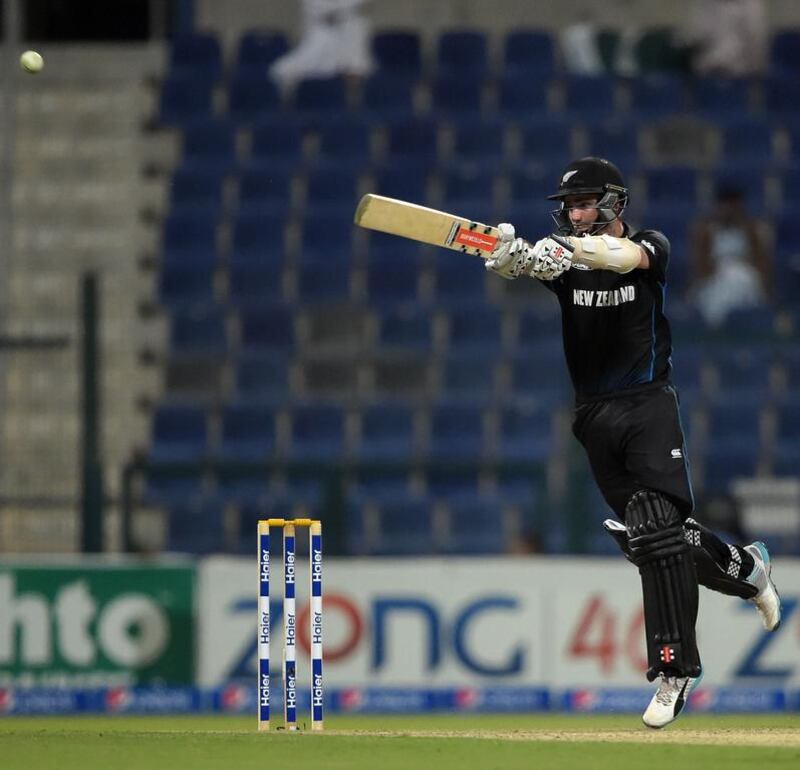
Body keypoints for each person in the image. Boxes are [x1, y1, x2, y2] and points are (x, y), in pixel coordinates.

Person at [484, 157, 781, 729]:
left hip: (648, 405)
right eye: (569, 206)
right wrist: (515, 260)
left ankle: (674, 670)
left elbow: (623, 257)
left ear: (615, 203)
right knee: (656, 536)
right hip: (593, 416)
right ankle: (747, 570)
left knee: (652, 529)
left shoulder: (651, 245)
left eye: (586, 203)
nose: (574, 214)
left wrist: (558, 252)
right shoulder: (564, 260)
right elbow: (527, 265)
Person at [689, 184, 771, 327]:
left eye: (733, 207)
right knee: (721, 286)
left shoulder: (753, 230)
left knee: (738, 278)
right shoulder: (705, 231)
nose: (728, 211)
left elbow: (761, 263)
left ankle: (730, 323)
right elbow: (700, 266)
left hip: (745, 276)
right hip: (715, 276)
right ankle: (717, 327)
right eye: (724, 207)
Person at [269, 0, 373, 94]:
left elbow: (356, 69)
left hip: (346, 39)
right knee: (283, 71)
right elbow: (324, 10)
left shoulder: (356, 27)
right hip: (318, 39)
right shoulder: (318, 30)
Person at [682, 0, 768, 78]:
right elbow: (692, 36)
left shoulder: (751, 5)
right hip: (706, 70)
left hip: (738, 72)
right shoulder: (703, 4)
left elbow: (756, 40)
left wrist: (755, 71)